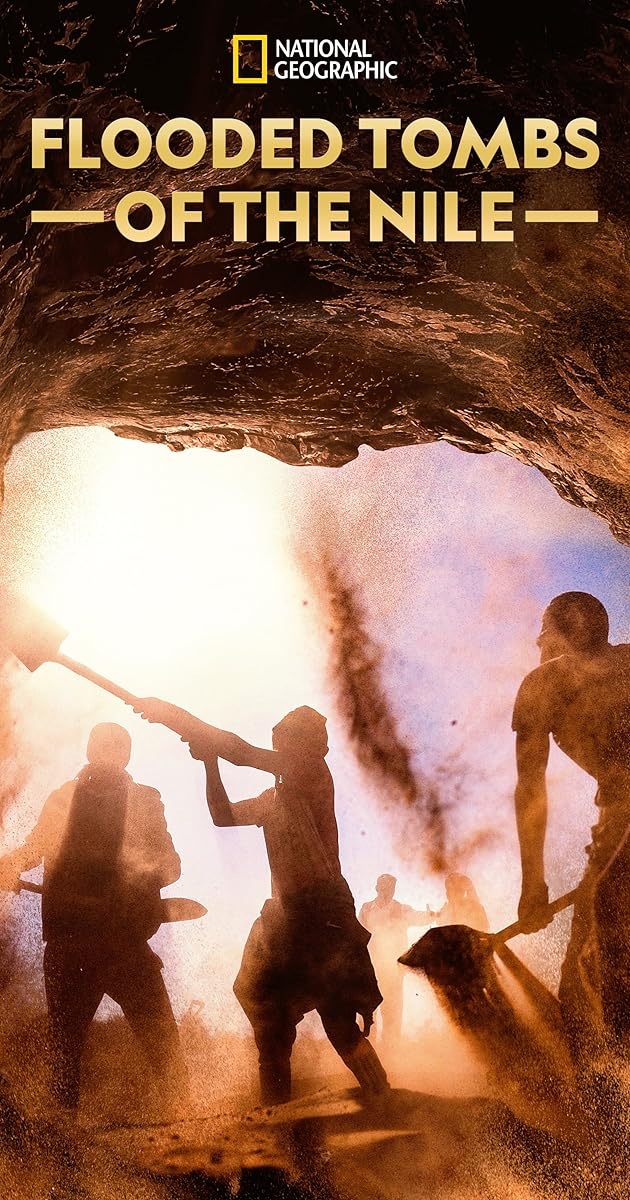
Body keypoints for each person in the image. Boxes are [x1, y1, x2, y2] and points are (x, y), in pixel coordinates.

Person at [136, 698, 389, 1105]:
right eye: (280, 740)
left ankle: (386, 1103)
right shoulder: (273, 798)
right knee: (269, 1023)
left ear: (310, 746)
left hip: (324, 914)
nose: (281, 748)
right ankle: (277, 1123)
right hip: (286, 917)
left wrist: (175, 715)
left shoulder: (312, 773)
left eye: (289, 740)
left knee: (339, 1023)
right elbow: (222, 814)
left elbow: (240, 751)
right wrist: (208, 762)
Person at [0, 723, 187, 1113]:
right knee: (64, 1057)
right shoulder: (63, 798)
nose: (109, 753)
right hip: (71, 945)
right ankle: (64, 1148)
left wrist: (142, 878)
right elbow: (35, 847)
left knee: (166, 1051)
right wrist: (11, 864)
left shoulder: (145, 800)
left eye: (118, 747)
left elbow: (171, 865)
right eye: (103, 745)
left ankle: (191, 1130)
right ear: (89, 750)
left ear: (127, 755)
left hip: (125, 944)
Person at [512, 592, 630, 1064]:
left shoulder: (544, 683)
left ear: (559, 639)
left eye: (543, 639)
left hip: (622, 821)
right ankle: (600, 1094)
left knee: (604, 946)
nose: (539, 650)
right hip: (615, 822)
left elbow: (529, 791)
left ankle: (617, 1085)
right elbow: (531, 791)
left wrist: (533, 886)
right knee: (587, 974)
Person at [359, 874, 432, 1047]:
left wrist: (434, 914)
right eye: (384, 886)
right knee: (366, 1008)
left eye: (391, 887)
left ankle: (391, 1050)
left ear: (394, 889)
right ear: (377, 888)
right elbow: (358, 933)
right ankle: (366, 1048)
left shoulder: (401, 909)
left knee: (392, 1008)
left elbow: (419, 916)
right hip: (370, 965)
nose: (387, 890)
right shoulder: (367, 909)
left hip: (393, 968)